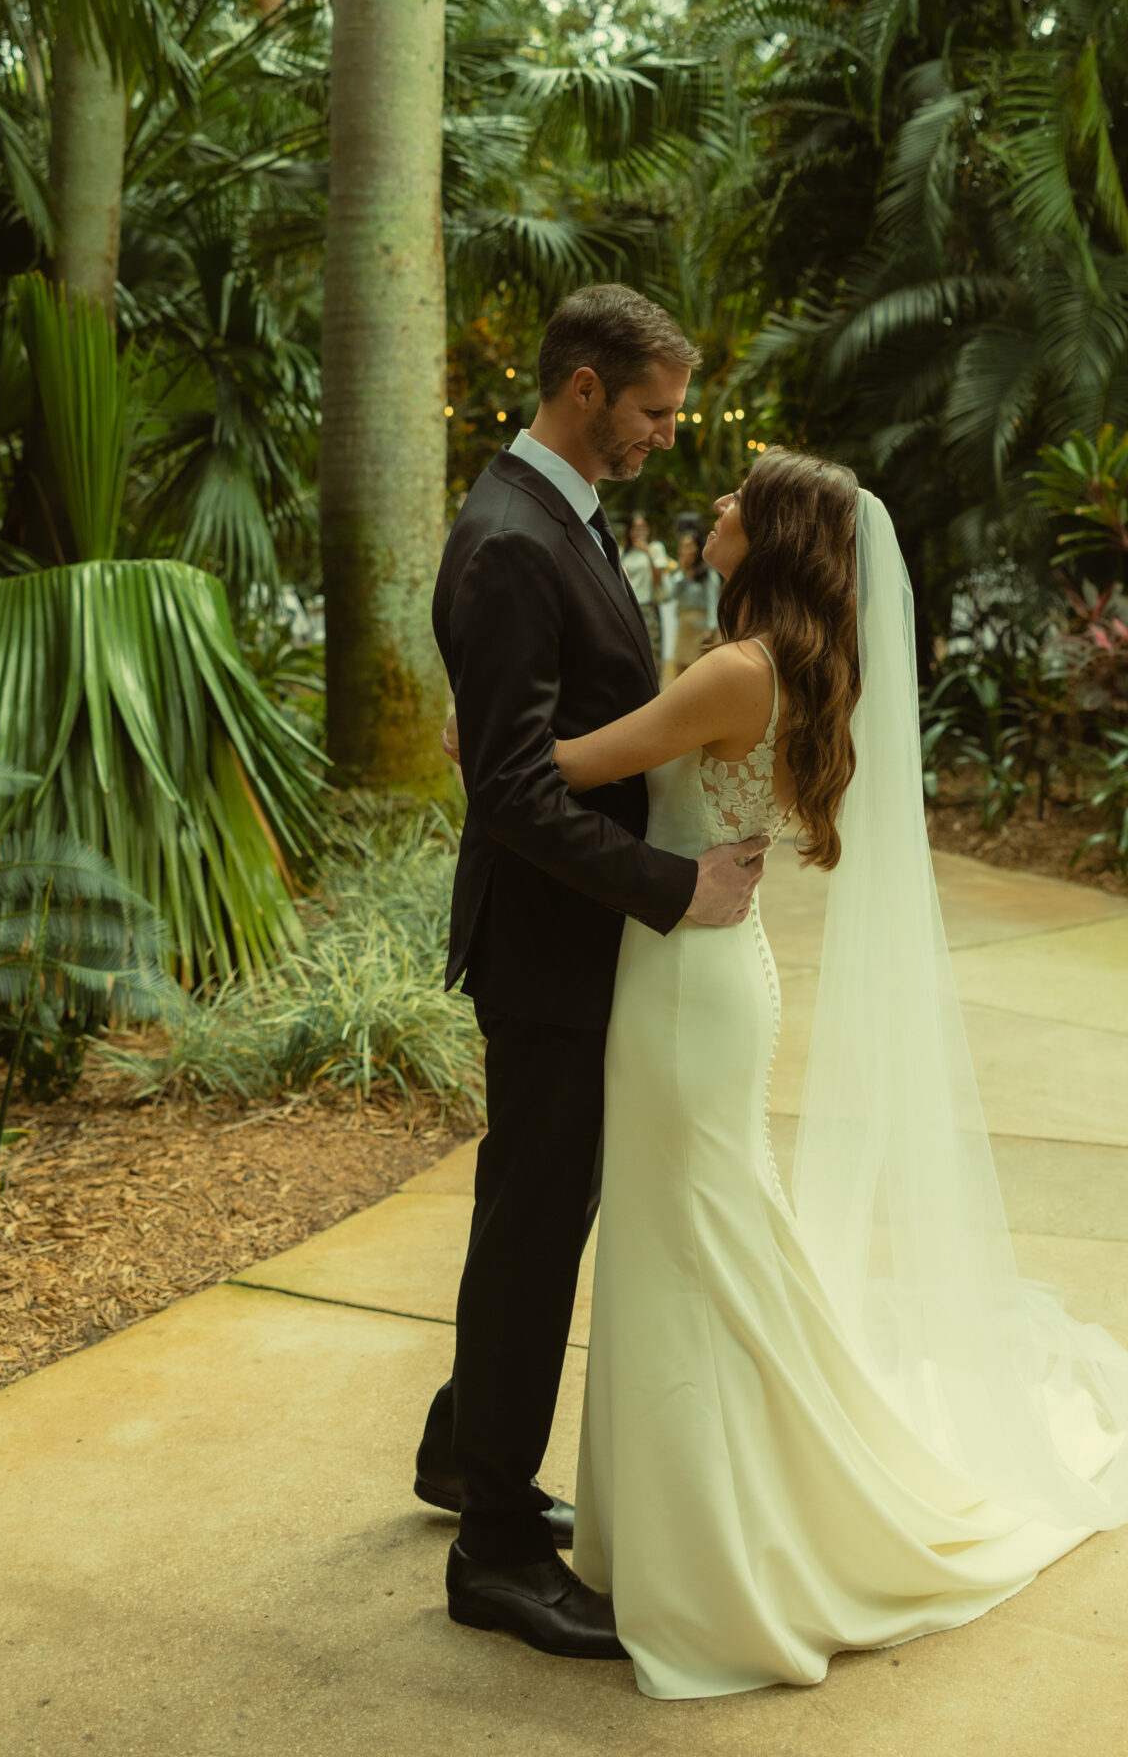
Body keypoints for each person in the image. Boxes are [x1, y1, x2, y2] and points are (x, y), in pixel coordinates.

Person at [549, 447, 1128, 1699]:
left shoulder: (739, 670)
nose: (719, 506)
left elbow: (576, 765)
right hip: (709, 971)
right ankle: (689, 1529)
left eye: (740, 496)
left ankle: (736, 1554)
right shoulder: (789, 666)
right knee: (696, 1240)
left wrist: (487, 726)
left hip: (687, 986)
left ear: (777, 533)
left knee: (698, 1247)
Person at [415, 284, 766, 1664]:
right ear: (579, 387)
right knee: (533, 1229)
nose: (663, 437)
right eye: (650, 411)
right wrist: (672, 890)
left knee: (528, 1217)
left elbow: (542, 727)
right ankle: (491, 1551)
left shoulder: (551, 516)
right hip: (551, 947)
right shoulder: (509, 539)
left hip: (574, 942)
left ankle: (463, 1454)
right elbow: (508, 790)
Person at [661, 526, 719, 680]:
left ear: (697, 548)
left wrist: (711, 628)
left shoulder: (707, 573)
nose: (685, 550)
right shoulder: (682, 574)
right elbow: (670, 595)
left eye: (688, 546)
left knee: (697, 671)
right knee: (679, 667)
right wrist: (681, 570)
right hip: (684, 624)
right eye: (682, 546)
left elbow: (713, 601)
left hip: (701, 626)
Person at [619, 511, 673, 642]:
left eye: (643, 527)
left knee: (651, 646)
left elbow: (658, 579)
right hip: (626, 606)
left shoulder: (656, 548)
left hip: (647, 607)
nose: (639, 531)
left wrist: (647, 551)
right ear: (629, 530)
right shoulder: (622, 552)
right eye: (635, 527)